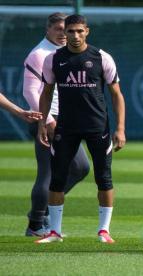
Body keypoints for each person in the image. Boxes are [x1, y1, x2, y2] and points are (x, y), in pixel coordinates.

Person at [35, 14, 126, 243]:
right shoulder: (53, 59)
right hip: (66, 127)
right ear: (64, 33)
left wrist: (121, 128)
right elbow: (46, 94)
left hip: (98, 127)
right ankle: (54, 232)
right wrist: (42, 124)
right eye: (70, 31)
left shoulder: (101, 57)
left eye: (79, 31)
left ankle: (104, 231)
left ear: (87, 32)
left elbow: (117, 95)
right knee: (57, 179)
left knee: (103, 178)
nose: (75, 36)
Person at [22, 12, 90, 237]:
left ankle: (42, 215)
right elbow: (30, 91)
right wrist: (47, 120)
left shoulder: (63, 53)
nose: (64, 34)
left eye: (66, 29)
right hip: (48, 121)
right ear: (48, 29)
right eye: (59, 29)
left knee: (80, 168)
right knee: (48, 173)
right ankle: (35, 224)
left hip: (67, 121)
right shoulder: (39, 54)